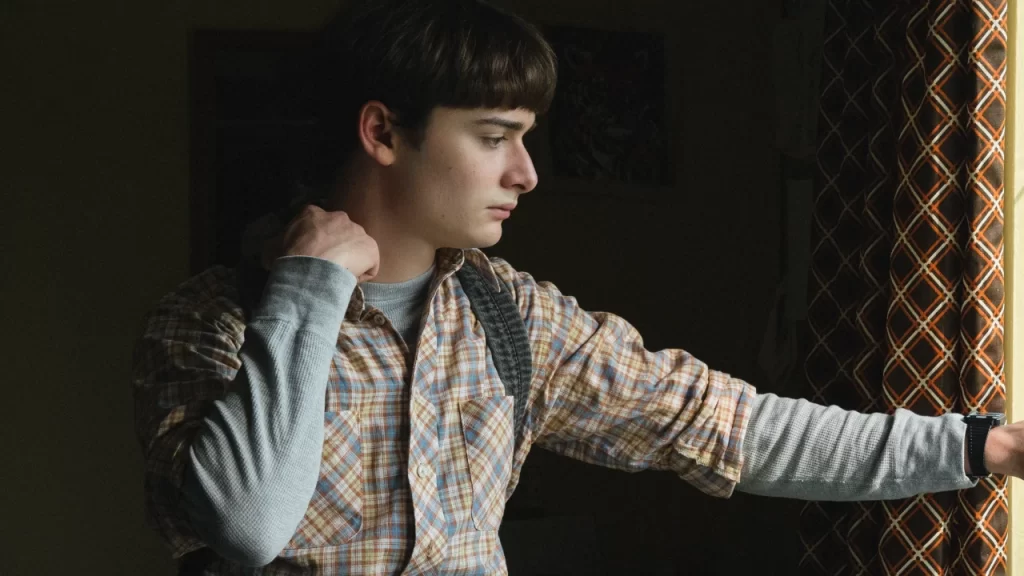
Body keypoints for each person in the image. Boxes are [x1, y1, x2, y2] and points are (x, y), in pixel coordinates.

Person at [131, 0, 1023, 574]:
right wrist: (307, 295)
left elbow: (734, 429)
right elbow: (246, 525)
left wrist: (984, 445)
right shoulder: (213, 321)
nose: (526, 172)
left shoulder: (509, 315)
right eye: (494, 137)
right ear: (383, 132)